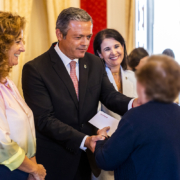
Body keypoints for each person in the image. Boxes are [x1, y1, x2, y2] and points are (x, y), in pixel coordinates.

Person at [22, 7, 139, 180]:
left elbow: (109, 96)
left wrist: (133, 104)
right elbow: (45, 120)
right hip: (55, 161)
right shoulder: (36, 69)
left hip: (86, 161)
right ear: (59, 34)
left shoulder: (94, 63)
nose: (85, 43)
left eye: (88, 37)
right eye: (78, 37)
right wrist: (85, 140)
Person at [94, 55, 180, 180]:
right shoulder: (177, 112)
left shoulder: (135, 117)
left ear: (143, 84)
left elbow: (106, 160)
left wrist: (101, 140)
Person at [0, 12, 46, 180]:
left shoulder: (8, 83)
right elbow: (2, 145)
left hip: (21, 168)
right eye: (18, 42)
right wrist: (34, 168)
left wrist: (32, 168)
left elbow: (26, 130)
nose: (23, 48)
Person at [92, 29, 137, 180]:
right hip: (108, 148)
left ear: (123, 47)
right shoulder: (94, 80)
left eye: (117, 46)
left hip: (133, 147)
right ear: (99, 54)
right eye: (107, 49)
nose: (114, 52)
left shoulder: (134, 77)